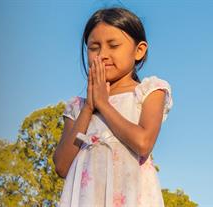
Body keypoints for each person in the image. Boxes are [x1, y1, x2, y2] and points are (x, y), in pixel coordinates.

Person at [53, 7, 173, 207]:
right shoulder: (77, 107)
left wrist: (103, 104)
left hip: (132, 197)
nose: (103, 55)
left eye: (113, 45)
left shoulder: (149, 91)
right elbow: (62, 166)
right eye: (94, 47)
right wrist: (89, 107)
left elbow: (143, 143)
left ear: (139, 50)